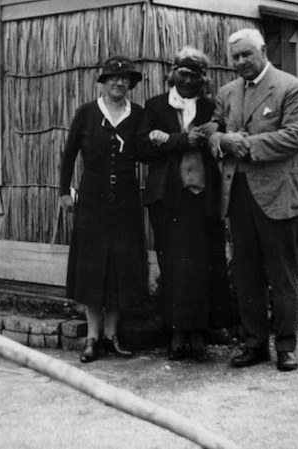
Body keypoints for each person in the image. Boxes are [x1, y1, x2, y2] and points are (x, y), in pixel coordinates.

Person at [208, 29, 298, 372]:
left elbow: (294, 138)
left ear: (263, 51)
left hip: (277, 195)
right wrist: (222, 140)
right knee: (246, 273)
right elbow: (213, 130)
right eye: (235, 57)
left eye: (246, 55)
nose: (240, 63)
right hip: (237, 194)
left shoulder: (290, 87)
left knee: (282, 274)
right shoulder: (227, 92)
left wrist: (245, 146)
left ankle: (285, 346)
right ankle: (255, 344)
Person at [139, 46, 232, 362]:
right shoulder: (155, 106)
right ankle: (177, 333)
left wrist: (210, 134)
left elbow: (223, 141)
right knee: (173, 264)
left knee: (203, 263)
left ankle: (198, 333)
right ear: (173, 73)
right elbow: (141, 147)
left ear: (203, 78)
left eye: (196, 74)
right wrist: (180, 140)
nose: (189, 79)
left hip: (203, 197)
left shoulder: (210, 108)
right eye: (184, 72)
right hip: (168, 199)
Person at [59, 55, 149, 363]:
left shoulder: (137, 115)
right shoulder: (86, 113)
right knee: (92, 265)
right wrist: (64, 193)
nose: (119, 83)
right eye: (113, 78)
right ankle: (92, 337)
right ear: (103, 81)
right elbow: (69, 154)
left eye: (124, 79)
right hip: (92, 200)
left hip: (125, 199)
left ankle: (113, 334)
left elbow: (146, 149)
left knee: (120, 266)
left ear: (131, 85)